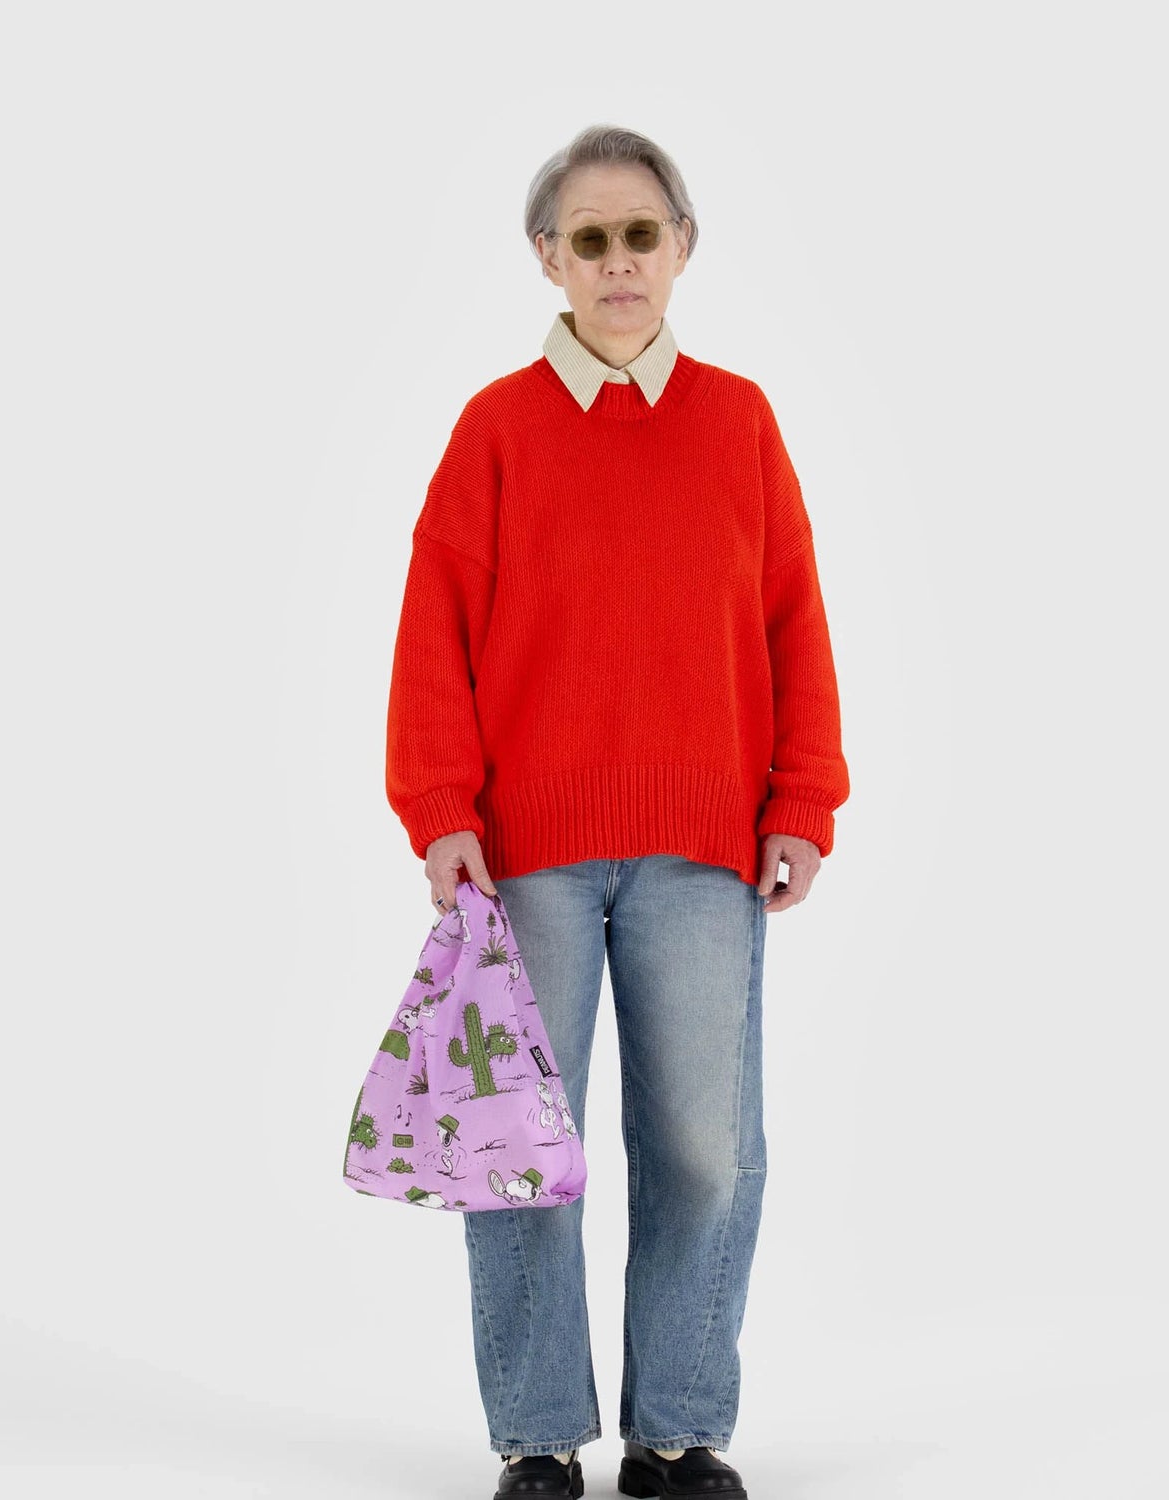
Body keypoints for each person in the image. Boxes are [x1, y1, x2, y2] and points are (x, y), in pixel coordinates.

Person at [385, 122, 851, 1500]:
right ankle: (538, 1437)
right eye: (589, 238)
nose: (618, 261)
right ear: (550, 257)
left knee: (709, 1143)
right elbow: (435, 632)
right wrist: (441, 809)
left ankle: (677, 1430)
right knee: (521, 1146)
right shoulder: (496, 429)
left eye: (640, 233)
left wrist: (804, 799)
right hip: (524, 853)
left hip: (709, 852)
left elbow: (793, 622)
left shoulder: (740, 421)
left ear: (683, 248)